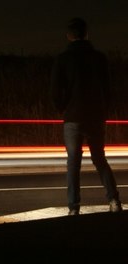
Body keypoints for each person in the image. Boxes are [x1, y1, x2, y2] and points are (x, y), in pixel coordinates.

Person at [49, 17, 123, 215]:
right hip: (95, 116)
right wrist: (103, 108)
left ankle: (74, 207)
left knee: (73, 163)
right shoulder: (99, 58)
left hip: (73, 116)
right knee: (99, 158)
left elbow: (56, 90)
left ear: (69, 36)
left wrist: (63, 108)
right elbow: (107, 88)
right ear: (87, 34)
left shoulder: (63, 59)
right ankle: (114, 200)